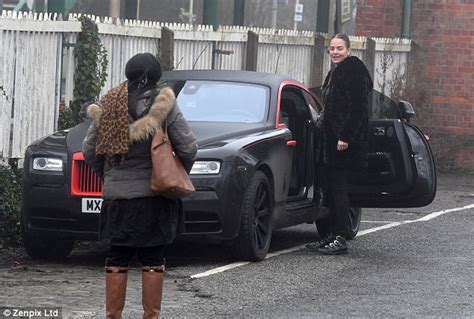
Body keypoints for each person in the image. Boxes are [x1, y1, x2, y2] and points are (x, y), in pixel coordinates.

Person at [82, 53, 198, 318]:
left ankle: (113, 316)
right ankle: (150, 316)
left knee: (117, 257)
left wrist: (110, 177)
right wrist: (174, 173)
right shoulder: (164, 103)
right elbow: (189, 148)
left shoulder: (109, 103)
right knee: (153, 257)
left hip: (117, 201)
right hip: (154, 198)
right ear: (156, 75)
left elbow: (89, 150)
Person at [306, 34, 373, 255]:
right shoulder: (335, 71)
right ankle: (331, 235)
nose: (335, 52)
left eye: (340, 48)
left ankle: (340, 238)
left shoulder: (354, 70)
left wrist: (345, 136)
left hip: (343, 143)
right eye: (332, 48)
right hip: (330, 142)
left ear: (349, 50)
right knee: (331, 190)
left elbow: (358, 109)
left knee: (339, 190)